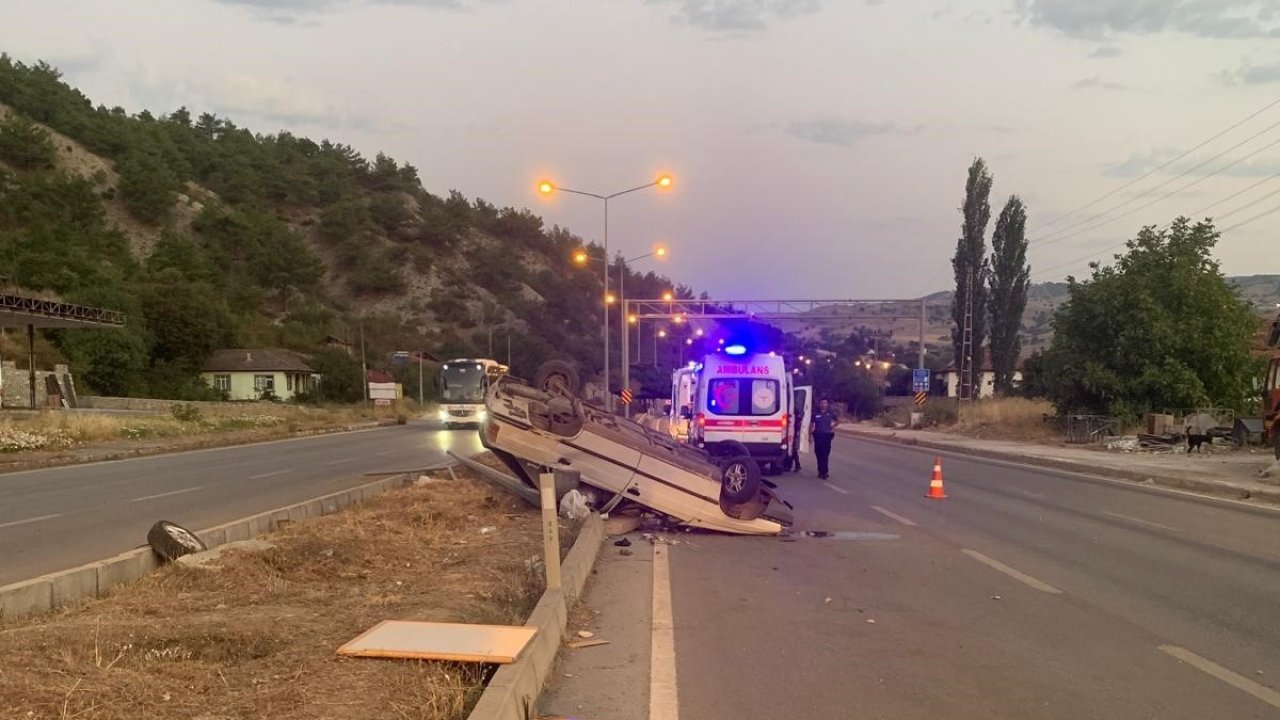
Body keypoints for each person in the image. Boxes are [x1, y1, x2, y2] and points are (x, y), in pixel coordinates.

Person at [809, 398, 840, 480]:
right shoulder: (815, 414)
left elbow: (838, 421)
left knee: (825, 454)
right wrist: (810, 437)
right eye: (822, 403)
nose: (823, 404)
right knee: (818, 453)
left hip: (826, 436)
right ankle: (820, 470)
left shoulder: (830, 414)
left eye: (825, 403)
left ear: (827, 404)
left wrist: (831, 427)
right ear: (819, 404)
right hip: (818, 436)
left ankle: (825, 472)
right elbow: (811, 425)